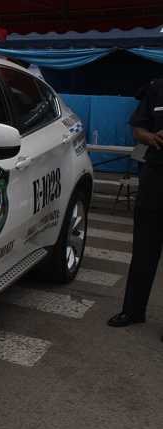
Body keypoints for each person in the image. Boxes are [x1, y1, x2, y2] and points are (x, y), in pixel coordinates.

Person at [108, 78, 163, 328]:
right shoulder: (156, 88)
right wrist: (151, 137)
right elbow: (137, 128)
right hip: (155, 179)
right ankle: (132, 312)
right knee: (143, 252)